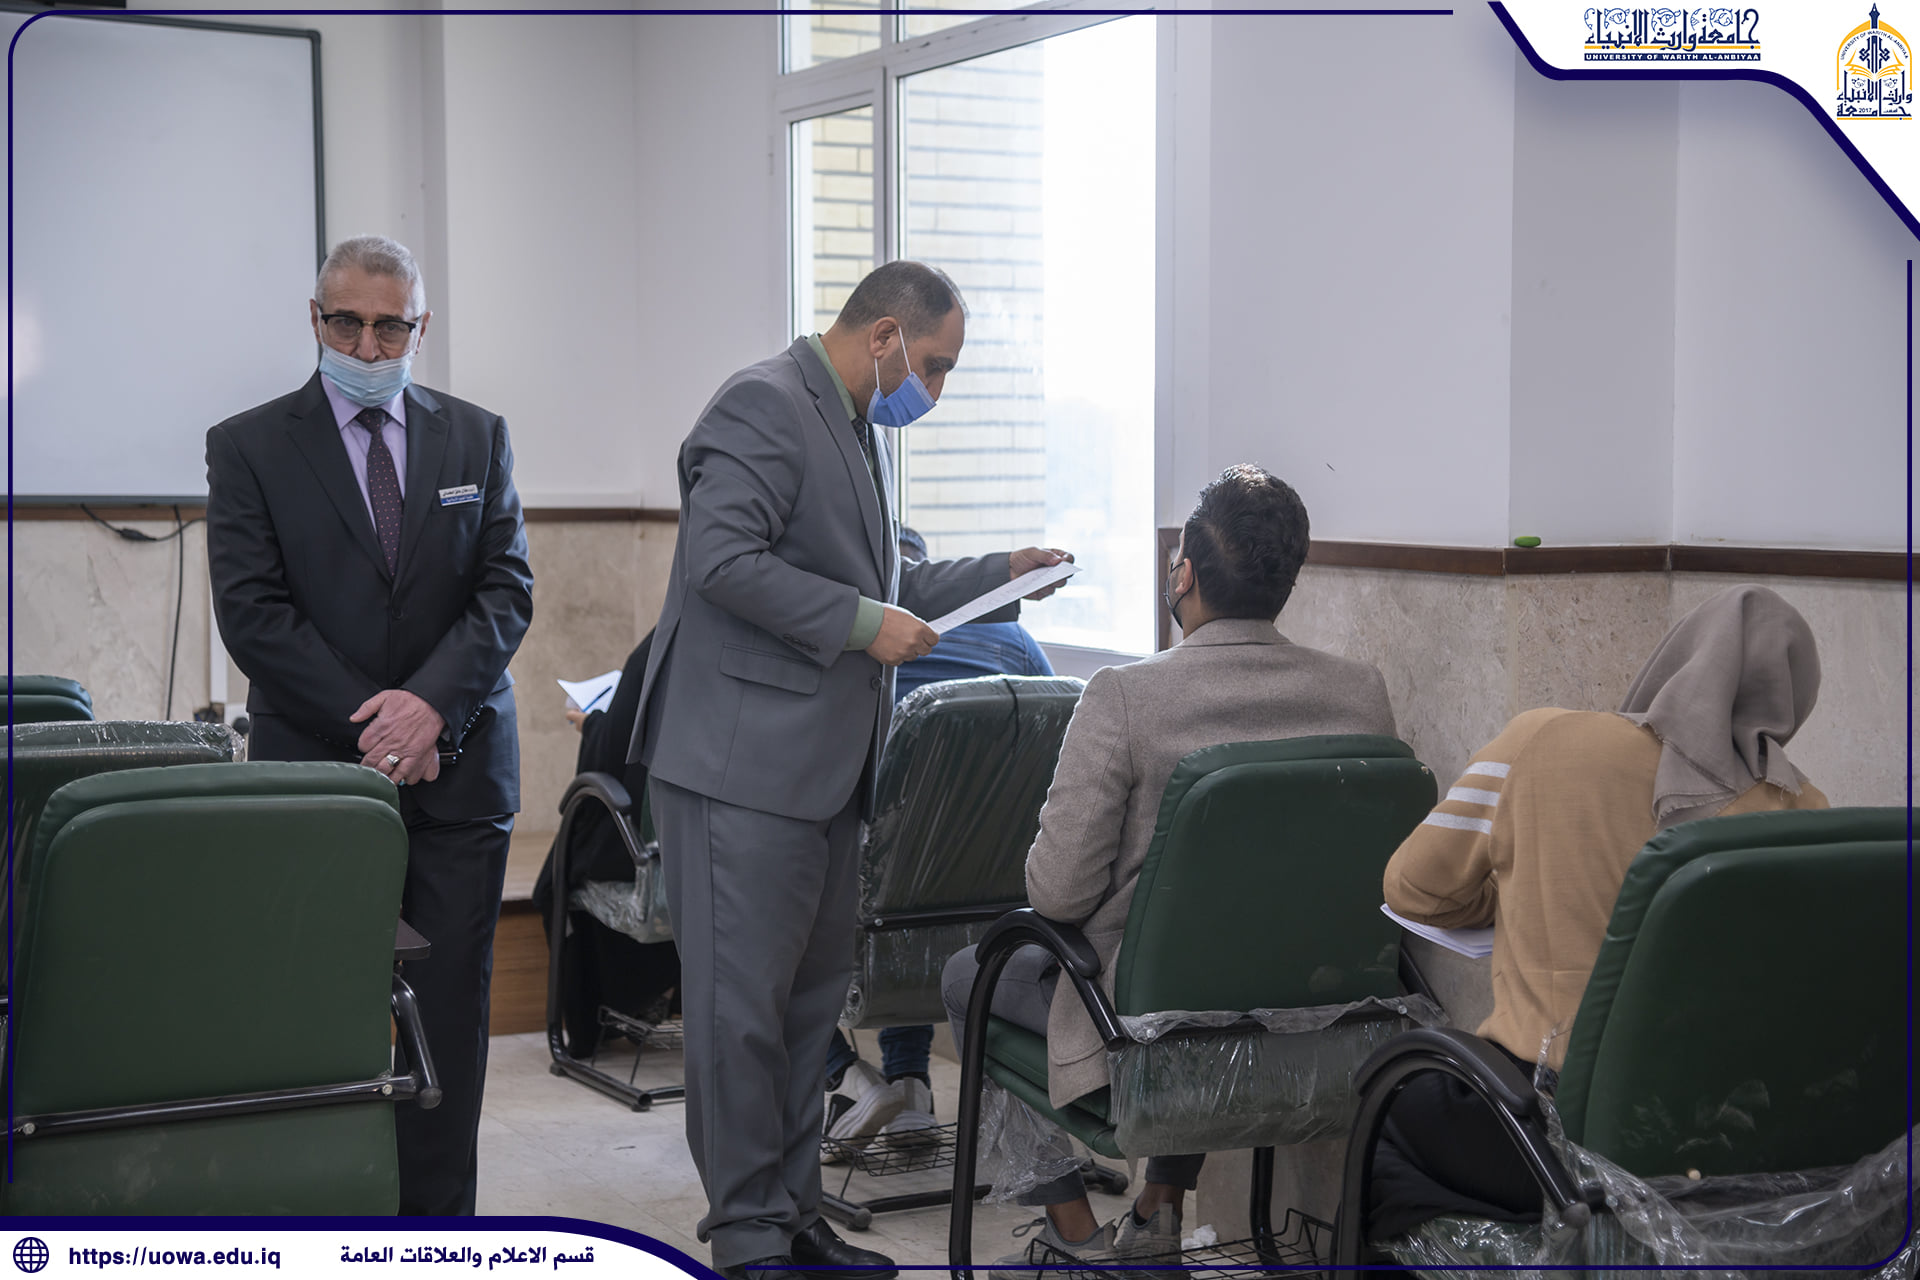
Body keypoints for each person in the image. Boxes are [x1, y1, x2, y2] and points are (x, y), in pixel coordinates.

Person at [629, 260, 1072, 1280]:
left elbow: (883, 579)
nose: (936, 389)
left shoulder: (853, 424)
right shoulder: (762, 403)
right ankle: (748, 1237)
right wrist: (865, 624)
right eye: (934, 364)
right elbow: (723, 561)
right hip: (740, 766)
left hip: (823, 772)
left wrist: (1001, 576)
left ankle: (793, 1218)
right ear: (883, 335)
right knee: (740, 1015)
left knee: (802, 1010)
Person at [941, 464, 1397, 1274]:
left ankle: (1075, 1234)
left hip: (1145, 1038)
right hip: (1315, 1027)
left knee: (967, 976)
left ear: (1184, 575)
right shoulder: (1359, 694)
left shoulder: (1124, 697)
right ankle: (1157, 1211)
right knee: (1212, 958)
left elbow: (1058, 894)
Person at [205, 234, 534, 1216]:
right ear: (315, 318)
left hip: (460, 773)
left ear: (420, 328)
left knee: (451, 1023)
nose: (365, 344)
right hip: (315, 778)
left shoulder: (477, 435)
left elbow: (506, 589)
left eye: (390, 326)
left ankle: (435, 1233)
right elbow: (254, 614)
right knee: (316, 1014)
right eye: (345, 321)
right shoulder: (249, 445)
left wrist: (432, 708)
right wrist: (379, 730)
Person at [1367, 583, 1827, 1243]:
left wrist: (1521, 893)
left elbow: (1414, 887)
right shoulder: (1807, 810)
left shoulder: (1546, 740)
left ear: (1675, 659)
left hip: (1551, 1136)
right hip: (1721, 1150)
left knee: (1388, 1108)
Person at [821, 528, 1056, 1150]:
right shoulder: (1017, 646)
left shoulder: (857, 655)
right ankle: (910, 1085)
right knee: (914, 884)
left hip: (870, 912)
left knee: (752, 916)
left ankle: (844, 1076)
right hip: (992, 917)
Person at [533, 631, 682, 1056]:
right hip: (724, 858)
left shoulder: (665, 644)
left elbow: (612, 751)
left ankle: (599, 1020)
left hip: (654, 863)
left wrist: (589, 723)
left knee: (557, 878)